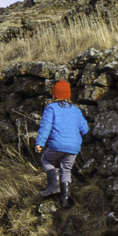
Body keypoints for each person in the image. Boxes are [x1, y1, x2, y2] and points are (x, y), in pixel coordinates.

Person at [33, 79, 89, 209]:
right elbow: (85, 130)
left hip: (57, 145)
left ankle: (54, 185)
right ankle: (65, 199)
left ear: (54, 95)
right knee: (66, 169)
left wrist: (40, 143)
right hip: (74, 147)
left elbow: (45, 127)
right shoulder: (76, 110)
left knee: (46, 159)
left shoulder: (51, 108)